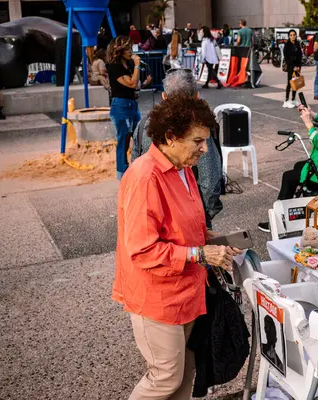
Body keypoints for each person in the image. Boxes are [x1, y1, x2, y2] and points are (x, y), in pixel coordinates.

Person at [113, 94, 240, 400]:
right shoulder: (146, 177)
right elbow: (143, 250)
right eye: (197, 141)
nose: (204, 149)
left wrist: (209, 238)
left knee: (184, 372)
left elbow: (183, 222)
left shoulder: (181, 168)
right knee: (165, 377)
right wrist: (199, 253)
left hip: (184, 291)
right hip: (157, 296)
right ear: (170, 136)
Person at [132, 69, 224, 228]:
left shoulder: (144, 124)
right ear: (196, 96)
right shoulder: (199, 129)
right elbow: (210, 179)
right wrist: (203, 214)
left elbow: (135, 167)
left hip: (154, 217)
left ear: (164, 97)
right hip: (188, 219)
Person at [257, 85, 318, 232]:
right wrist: (314, 115)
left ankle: (278, 221)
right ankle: (291, 212)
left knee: (288, 176)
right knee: (298, 167)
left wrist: (308, 123)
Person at [106, 36, 151, 180]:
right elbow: (131, 83)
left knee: (139, 135)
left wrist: (144, 83)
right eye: (127, 48)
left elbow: (135, 85)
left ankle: (138, 167)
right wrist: (137, 65)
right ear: (119, 50)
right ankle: (122, 172)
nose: (130, 51)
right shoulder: (114, 67)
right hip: (120, 106)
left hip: (132, 104)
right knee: (124, 139)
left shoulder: (129, 64)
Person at [282, 29, 302, 108]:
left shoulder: (297, 44)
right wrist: (293, 66)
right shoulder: (287, 45)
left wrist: (298, 66)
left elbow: (300, 55)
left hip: (297, 67)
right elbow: (286, 58)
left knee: (295, 83)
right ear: (289, 36)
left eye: (294, 35)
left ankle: (293, 99)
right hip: (291, 67)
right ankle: (286, 100)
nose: (293, 36)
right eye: (291, 35)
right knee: (290, 83)